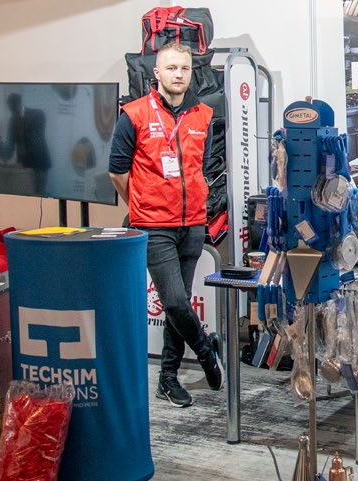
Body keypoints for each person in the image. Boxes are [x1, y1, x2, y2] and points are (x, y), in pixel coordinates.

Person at [109, 42, 220, 408]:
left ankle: (168, 379)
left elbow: (200, 167)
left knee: (179, 305)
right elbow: (117, 171)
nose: (178, 74)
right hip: (154, 225)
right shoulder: (134, 115)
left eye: (184, 69)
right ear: (157, 73)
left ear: (191, 73)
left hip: (192, 224)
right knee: (173, 300)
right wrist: (139, 203)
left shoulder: (203, 115)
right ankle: (205, 351)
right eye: (171, 68)